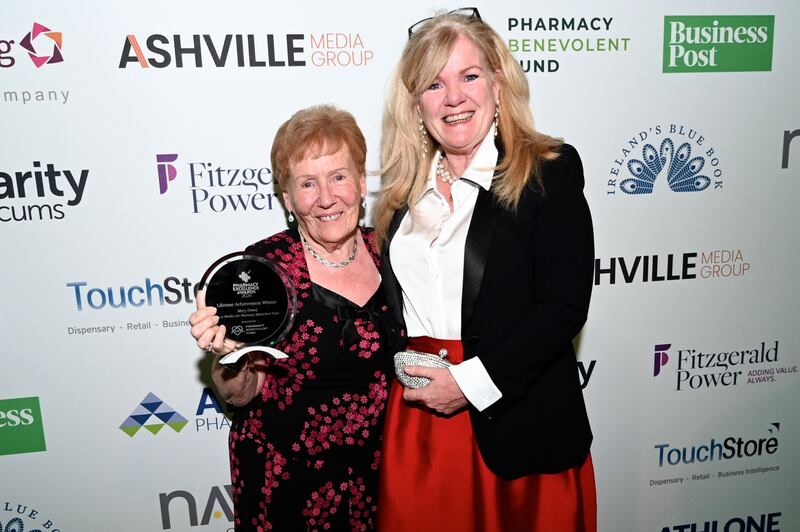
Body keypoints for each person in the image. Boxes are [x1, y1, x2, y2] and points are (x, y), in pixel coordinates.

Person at [373, 8, 596, 531]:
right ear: (415, 104)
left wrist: (473, 383)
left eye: (469, 76)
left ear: (498, 84)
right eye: (433, 84)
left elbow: (563, 308)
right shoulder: (399, 198)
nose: (453, 98)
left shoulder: (547, 171)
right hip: (420, 427)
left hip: (516, 425)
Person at [189, 105, 402, 531]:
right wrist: (228, 356)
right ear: (287, 199)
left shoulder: (394, 251)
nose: (326, 197)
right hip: (291, 485)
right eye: (308, 183)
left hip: (384, 478)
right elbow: (240, 393)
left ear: (361, 183)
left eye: (339, 176)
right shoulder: (264, 269)